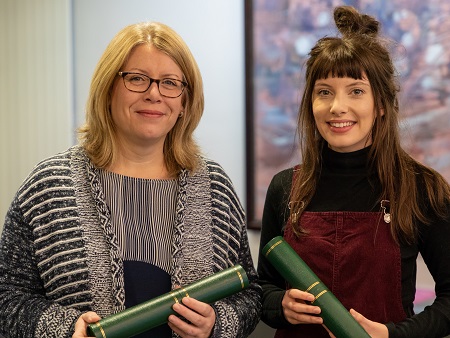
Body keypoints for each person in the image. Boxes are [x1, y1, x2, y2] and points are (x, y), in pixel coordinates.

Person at [0, 21, 261, 338]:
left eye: (169, 83)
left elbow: (250, 293)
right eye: (137, 79)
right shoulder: (48, 187)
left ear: (184, 103)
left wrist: (216, 324)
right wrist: (62, 328)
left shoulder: (215, 188)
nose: (154, 94)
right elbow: (7, 296)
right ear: (108, 88)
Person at [257, 5, 450, 338]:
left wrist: (393, 334)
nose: (337, 107)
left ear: (380, 106)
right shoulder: (284, 187)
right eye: (324, 92)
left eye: (356, 91)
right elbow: (262, 290)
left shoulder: (422, 188)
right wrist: (280, 305)